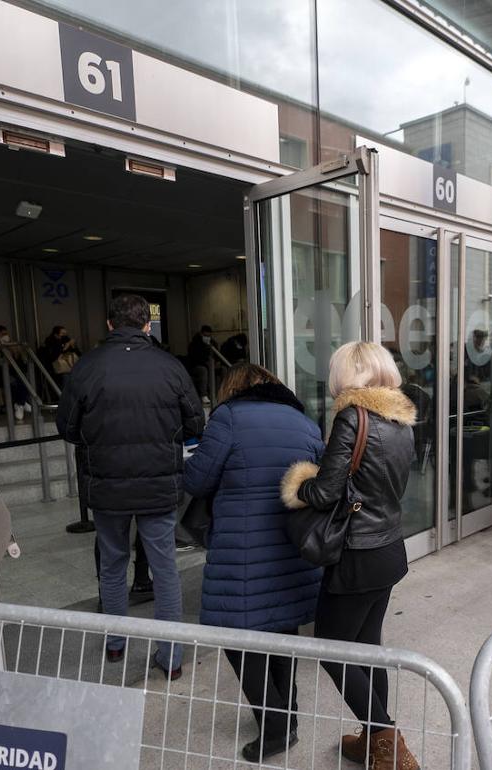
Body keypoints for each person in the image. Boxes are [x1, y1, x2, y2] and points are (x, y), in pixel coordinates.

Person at [280, 341, 420, 770]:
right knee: (366, 647)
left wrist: (296, 484)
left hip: (356, 552)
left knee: (331, 648)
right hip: (389, 548)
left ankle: (387, 743)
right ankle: (372, 739)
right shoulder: (400, 417)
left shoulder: (351, 416)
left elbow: (324, 492)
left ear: (347, 374)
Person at [56, 294, 205, 679]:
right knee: (165, 568)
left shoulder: (87, 367)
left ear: (109, 325)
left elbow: (67, 428)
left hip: (106, 487)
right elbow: (195, 425)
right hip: (158, 487)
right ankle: (170, 657)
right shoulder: (170, 367)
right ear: (146, 326)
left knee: (112, 564)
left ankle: (116, 643)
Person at [183, 364, 324, 762]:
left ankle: (276, 727)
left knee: (239, 638)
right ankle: (288, 716)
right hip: (292, 546)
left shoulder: (228, 417)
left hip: (242, 550)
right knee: (282, 631)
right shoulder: (303, 421)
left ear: (234, 389)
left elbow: (196, 480)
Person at [0, 324, 32, 420]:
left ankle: (19, 404)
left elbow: (23, 359)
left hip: (13, 372)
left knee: (22, 379)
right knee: (13, 381)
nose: (6, 336)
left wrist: (15, 351)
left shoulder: (12, 345)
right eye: (3, 334)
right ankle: (21, 403)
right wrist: (1, 361)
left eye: (6, 333)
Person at [187, 324, 217, 396]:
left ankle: (216, 393)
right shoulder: (194, 344)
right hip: (196, 366)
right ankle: (204, 395)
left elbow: (216, 355)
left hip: (209, 365)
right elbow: (194, 359)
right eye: (205, 336)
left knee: (219, 369)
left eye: (209, 336)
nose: (207, 338)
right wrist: (205, 363)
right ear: (201, 334)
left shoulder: (212, 344)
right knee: (203, 370)